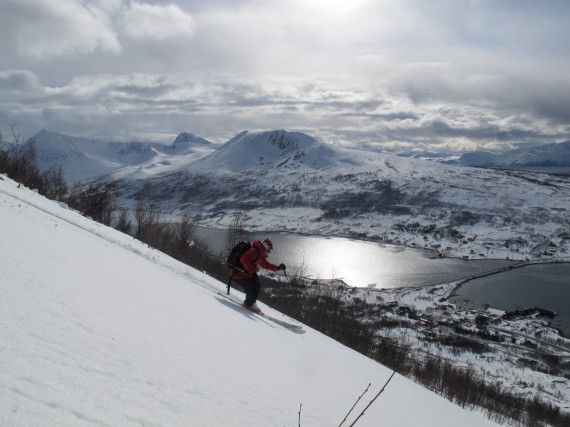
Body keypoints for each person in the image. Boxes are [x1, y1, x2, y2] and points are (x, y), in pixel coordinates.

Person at [229, 238, 286, 313]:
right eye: (269, 250)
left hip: (243, 274)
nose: (269, 253)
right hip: (237, 273)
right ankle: (249, 305)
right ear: (265, 248)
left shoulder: (259, 254)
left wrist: (278, 268)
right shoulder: (254, 251)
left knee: (256, 285)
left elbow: (266, 265)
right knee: (254, 286)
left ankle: (250, 303)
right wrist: (253, 272)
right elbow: (244, 259)